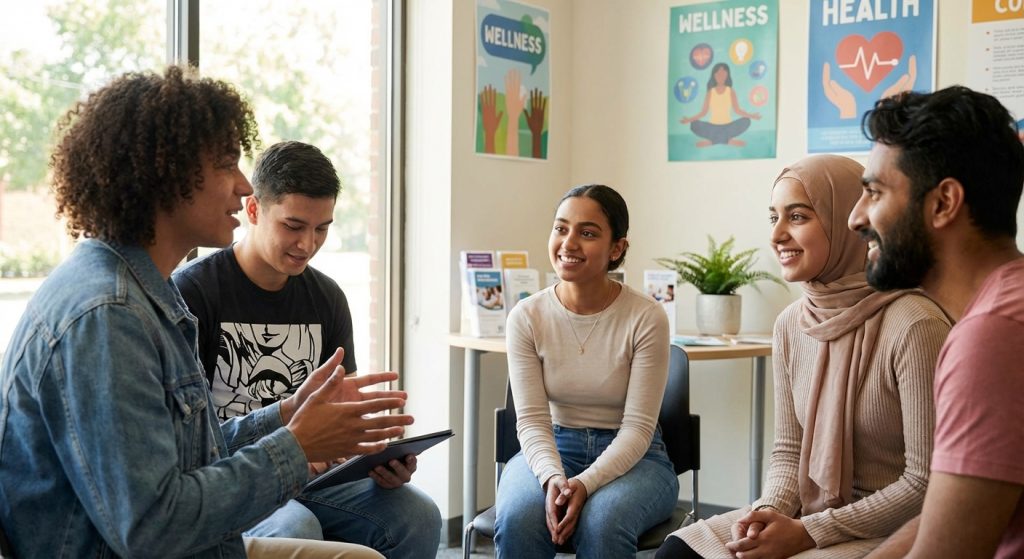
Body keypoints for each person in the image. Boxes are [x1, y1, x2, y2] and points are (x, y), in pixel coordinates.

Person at [0, 66, 413, 559]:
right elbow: (152, 527)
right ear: (166, 177)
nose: (244, 186)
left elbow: (192, 453)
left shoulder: (143, 292)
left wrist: (286, 414)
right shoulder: (108, 316)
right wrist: (297, 445)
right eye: (227, 165)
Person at [657, 154, 952, 559]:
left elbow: (926, 483)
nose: (777, 235)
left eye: (797, 216)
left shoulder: (915, 324)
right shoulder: (790, 324)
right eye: (773, 217)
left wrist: (807, 533)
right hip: (805, 516)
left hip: (890, 527)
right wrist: (766, 514)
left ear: (849, 222)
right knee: (677, 553)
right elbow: (789, 451)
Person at [172, 140, 441, 557]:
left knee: (418, 515)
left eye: (321, 229)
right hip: (236, 477)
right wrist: (298, 447)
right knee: (297, 526)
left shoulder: (327, 297)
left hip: (314, 477)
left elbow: (340, 410)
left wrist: (373, 457)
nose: (307, 244)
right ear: (254, 210)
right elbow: (192, 443)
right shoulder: (193, 293)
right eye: (293, 226)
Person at [849, 87, 1024, 559]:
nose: (856, 218)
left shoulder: (994, 335)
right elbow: (953, 509)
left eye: (874, 192)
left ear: (944, 202)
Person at [495, 184, 680, 558]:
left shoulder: (646, 316)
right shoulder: (526, 317)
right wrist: (552, 477)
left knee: (602, 522)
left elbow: (638, 428)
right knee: (519, 517)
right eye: (561, 229)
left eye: (588, 233)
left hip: (638, 457)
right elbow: (531, 420)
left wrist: (585, 482)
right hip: (552, 446)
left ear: (617, 248)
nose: (569, 243)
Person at [679, 62, 761, 147]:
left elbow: (737, 110)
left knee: (746, 121)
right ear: (714, 75)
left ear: (727, 75)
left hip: (728, 126)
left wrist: (751, 116)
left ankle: (713, 141)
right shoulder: (710, 92)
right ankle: (727, 140)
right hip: (712, 127)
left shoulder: (730, 91)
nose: (720, 76)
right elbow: (703, 112)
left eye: (723, 74)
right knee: (694, 124)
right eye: (718, 74)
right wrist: (689, 119)